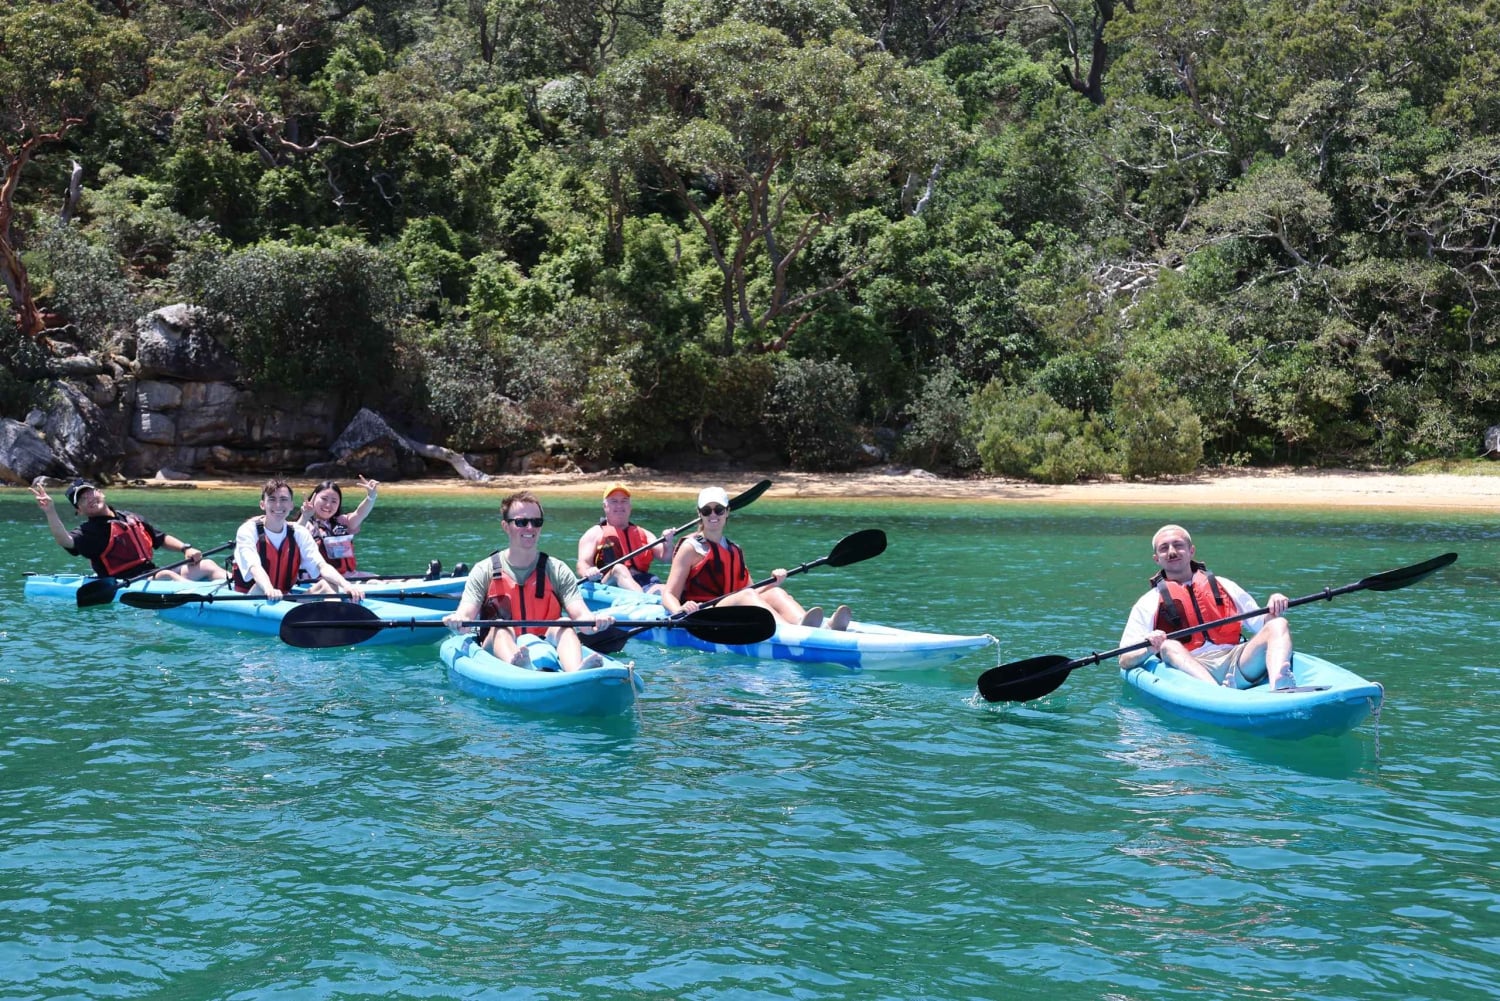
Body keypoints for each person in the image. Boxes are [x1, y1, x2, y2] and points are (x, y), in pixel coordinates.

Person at [443, 490, 615, 672]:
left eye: (536, 522)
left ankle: (576, 673)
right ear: (506, 526)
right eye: (521, 522)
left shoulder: (557, 569)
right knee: (502, 627)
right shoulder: (483, 570)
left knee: (564, 625)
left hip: (545, 642)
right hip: (495, 646)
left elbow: (581, 616)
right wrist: (458, 620)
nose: (530, 528)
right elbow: (466, 615)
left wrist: (594, 621)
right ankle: (519, 666)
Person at [1118, 524, 1295, 690]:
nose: (1172, 552)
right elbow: (1124, 660)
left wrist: (1274, 605)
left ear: (1191, 551)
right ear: (1156, 559)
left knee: (1279, 624)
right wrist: (1150, 647)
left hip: (1236, 660)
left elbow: (1263, 627)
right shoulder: (1148, 602)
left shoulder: (1224, 585)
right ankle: (1217, 693)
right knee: (1168, 646)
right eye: (1164, 548)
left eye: (1178, 545)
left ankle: (1279, 684)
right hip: (1192, 668)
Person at [659, 486, 852, 630]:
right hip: (703, 613)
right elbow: (668, 594)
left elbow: (751, 589)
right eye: (706, 511)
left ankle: (812, 626)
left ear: (727, 512)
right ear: (699, 514)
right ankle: (788, 632)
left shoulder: (734, 549)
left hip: (729, 607)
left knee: (775, 593)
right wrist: (681, 611)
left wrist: (775, 581)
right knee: (746, 595)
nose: (713, 515)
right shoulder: (690, 548)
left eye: (718, 509)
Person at [32, 479, 227, 582]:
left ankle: (239, 589)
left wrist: (186, 548)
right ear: (79, 511)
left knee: (207, 564)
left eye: (90, 492)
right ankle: (204, 596)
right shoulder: (90, 531)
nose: (89, 499)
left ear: (101, 492)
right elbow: (65, 541)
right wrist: (50, 511)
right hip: (129, 583)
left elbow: (160, 538)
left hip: (153, 574)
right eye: (82, 499)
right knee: (166, 576)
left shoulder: (130, 517)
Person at [231, 478, 365, 602]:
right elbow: (254, 567)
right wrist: (268, 588)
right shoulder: (248, 530)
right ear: (262, 504)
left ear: (291, 505)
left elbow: (322, 566)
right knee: (260, 588)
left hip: (285, 597)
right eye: (272, 499)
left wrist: (346, 585)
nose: (278, 505)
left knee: (329, 584)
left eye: (283, 499)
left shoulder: (298, 532)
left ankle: (333, 622)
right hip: (252, 597)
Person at [575, 482, 675, 593]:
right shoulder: (593, 533)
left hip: (642, 581)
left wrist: (669, 542)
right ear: (605, 506)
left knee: (665, 589)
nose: (619, 506)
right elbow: (582, 564)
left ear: (630, 506)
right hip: (608, 584)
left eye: (624, 501)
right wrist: (588, 571)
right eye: (614, 501)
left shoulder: (644, 533)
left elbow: (666, 557)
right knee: (619, 568)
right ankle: (643, 598)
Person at [297, 475, 379, 578]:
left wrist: (371, 497)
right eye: (324, 499)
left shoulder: (342, 522)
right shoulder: (305, 525)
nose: (328, 505)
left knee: (381, 581)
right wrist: (305, 516)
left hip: (349, 577)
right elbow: (293, 536)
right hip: (319, 581)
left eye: (334, 501)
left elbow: (359, 513)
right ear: (313, 499)